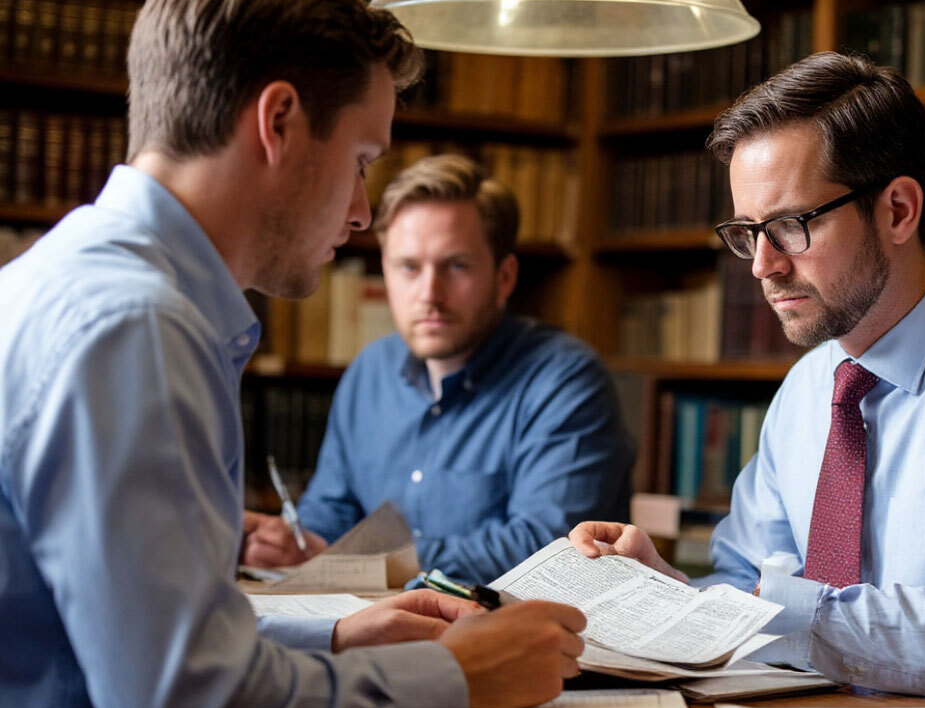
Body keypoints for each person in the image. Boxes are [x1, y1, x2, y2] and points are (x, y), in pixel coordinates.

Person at [0, 0, 586, 708]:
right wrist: (462, 677)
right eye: (359, 162)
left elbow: (120, 652)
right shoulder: (137, 330)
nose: (359, 212)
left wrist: (337, 638)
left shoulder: (51, 282)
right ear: (277, 122)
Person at [571, 51, 925, 708]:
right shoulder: (809, 387)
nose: (762, 267)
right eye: (747, 233)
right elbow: (749, 585)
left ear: (897, 211)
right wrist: (666, 594)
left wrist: (759, 609)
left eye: (790, 226)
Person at [241, 153, 633, 583]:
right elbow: (330, 513)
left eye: (456, 266)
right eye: (408, 267)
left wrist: (369, 561)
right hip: (377, 620)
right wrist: (292, 542)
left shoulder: (565, 380)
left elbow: (547, 544)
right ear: (386, 273)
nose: (429, 293)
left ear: (504, 277)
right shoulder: (369, 371)